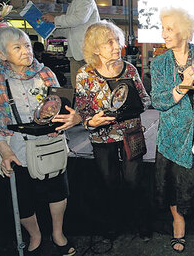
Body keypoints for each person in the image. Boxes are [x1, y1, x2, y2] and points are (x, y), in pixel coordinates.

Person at [0, 27, 81, 255]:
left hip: (50, 143)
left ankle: (58, 234)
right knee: (22, 199)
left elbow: (62, 106)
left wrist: (72, 117)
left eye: (27, 45)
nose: (26, 51)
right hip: (13, 146)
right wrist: (4, 151)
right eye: (18, 47)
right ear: (1, 54)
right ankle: (35, 236)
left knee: (58, 192)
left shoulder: (46, 72)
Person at [74, 21, 152, 241]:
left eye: (117, 40)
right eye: (109, 42)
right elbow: (82, 111)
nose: (116, 45)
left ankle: (140, 222)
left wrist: (134, 105)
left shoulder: (130, 69)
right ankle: (113, 223)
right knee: (108, 183)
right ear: (95, 48)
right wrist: (92, 121)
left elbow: (146, 99)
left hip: (131, 133)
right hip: (102, 137)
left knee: (134, 180)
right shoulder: (84, 74)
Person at [150, 8, 194, 253]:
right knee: (174, 183)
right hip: (172, 135)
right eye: (162, 28)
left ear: (184, 32)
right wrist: (183, 86)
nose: (163, 33)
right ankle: (178, 221)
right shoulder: (160, 63)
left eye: (169, 28)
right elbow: (158, 100)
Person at [43, 0, 100, 88]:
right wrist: (49, 29)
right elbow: (68, 29)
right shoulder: (73, 4)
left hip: (88, 54)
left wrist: (55, 19)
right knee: (78, 89)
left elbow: (79, 19)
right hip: (76, 55)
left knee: (91, 88)